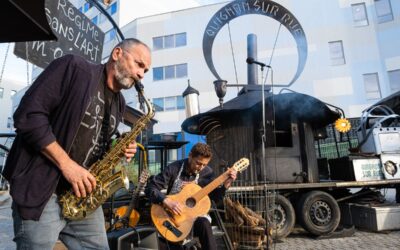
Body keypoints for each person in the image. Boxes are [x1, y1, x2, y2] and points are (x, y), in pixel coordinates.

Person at [2, 38, 151, 250]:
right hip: (43, 192)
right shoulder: (74, 68)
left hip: (82, 196)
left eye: (145, 70)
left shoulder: (119, 104)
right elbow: (29, 116)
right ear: (117, 53)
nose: (141, 74)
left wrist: (119, 149)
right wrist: (67, 165)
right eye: (139, 64)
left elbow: (96, 146)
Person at [145, 142, 237, 250]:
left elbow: (214, 198)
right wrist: (167, 201)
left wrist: (226, 185)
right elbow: (150, 188)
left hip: (193, 218)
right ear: (190, 155)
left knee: (204, 223)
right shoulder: (174, 168)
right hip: (171, 216)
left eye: (204, 165)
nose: (200, 168)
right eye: (198, 163)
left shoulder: (207, 173)